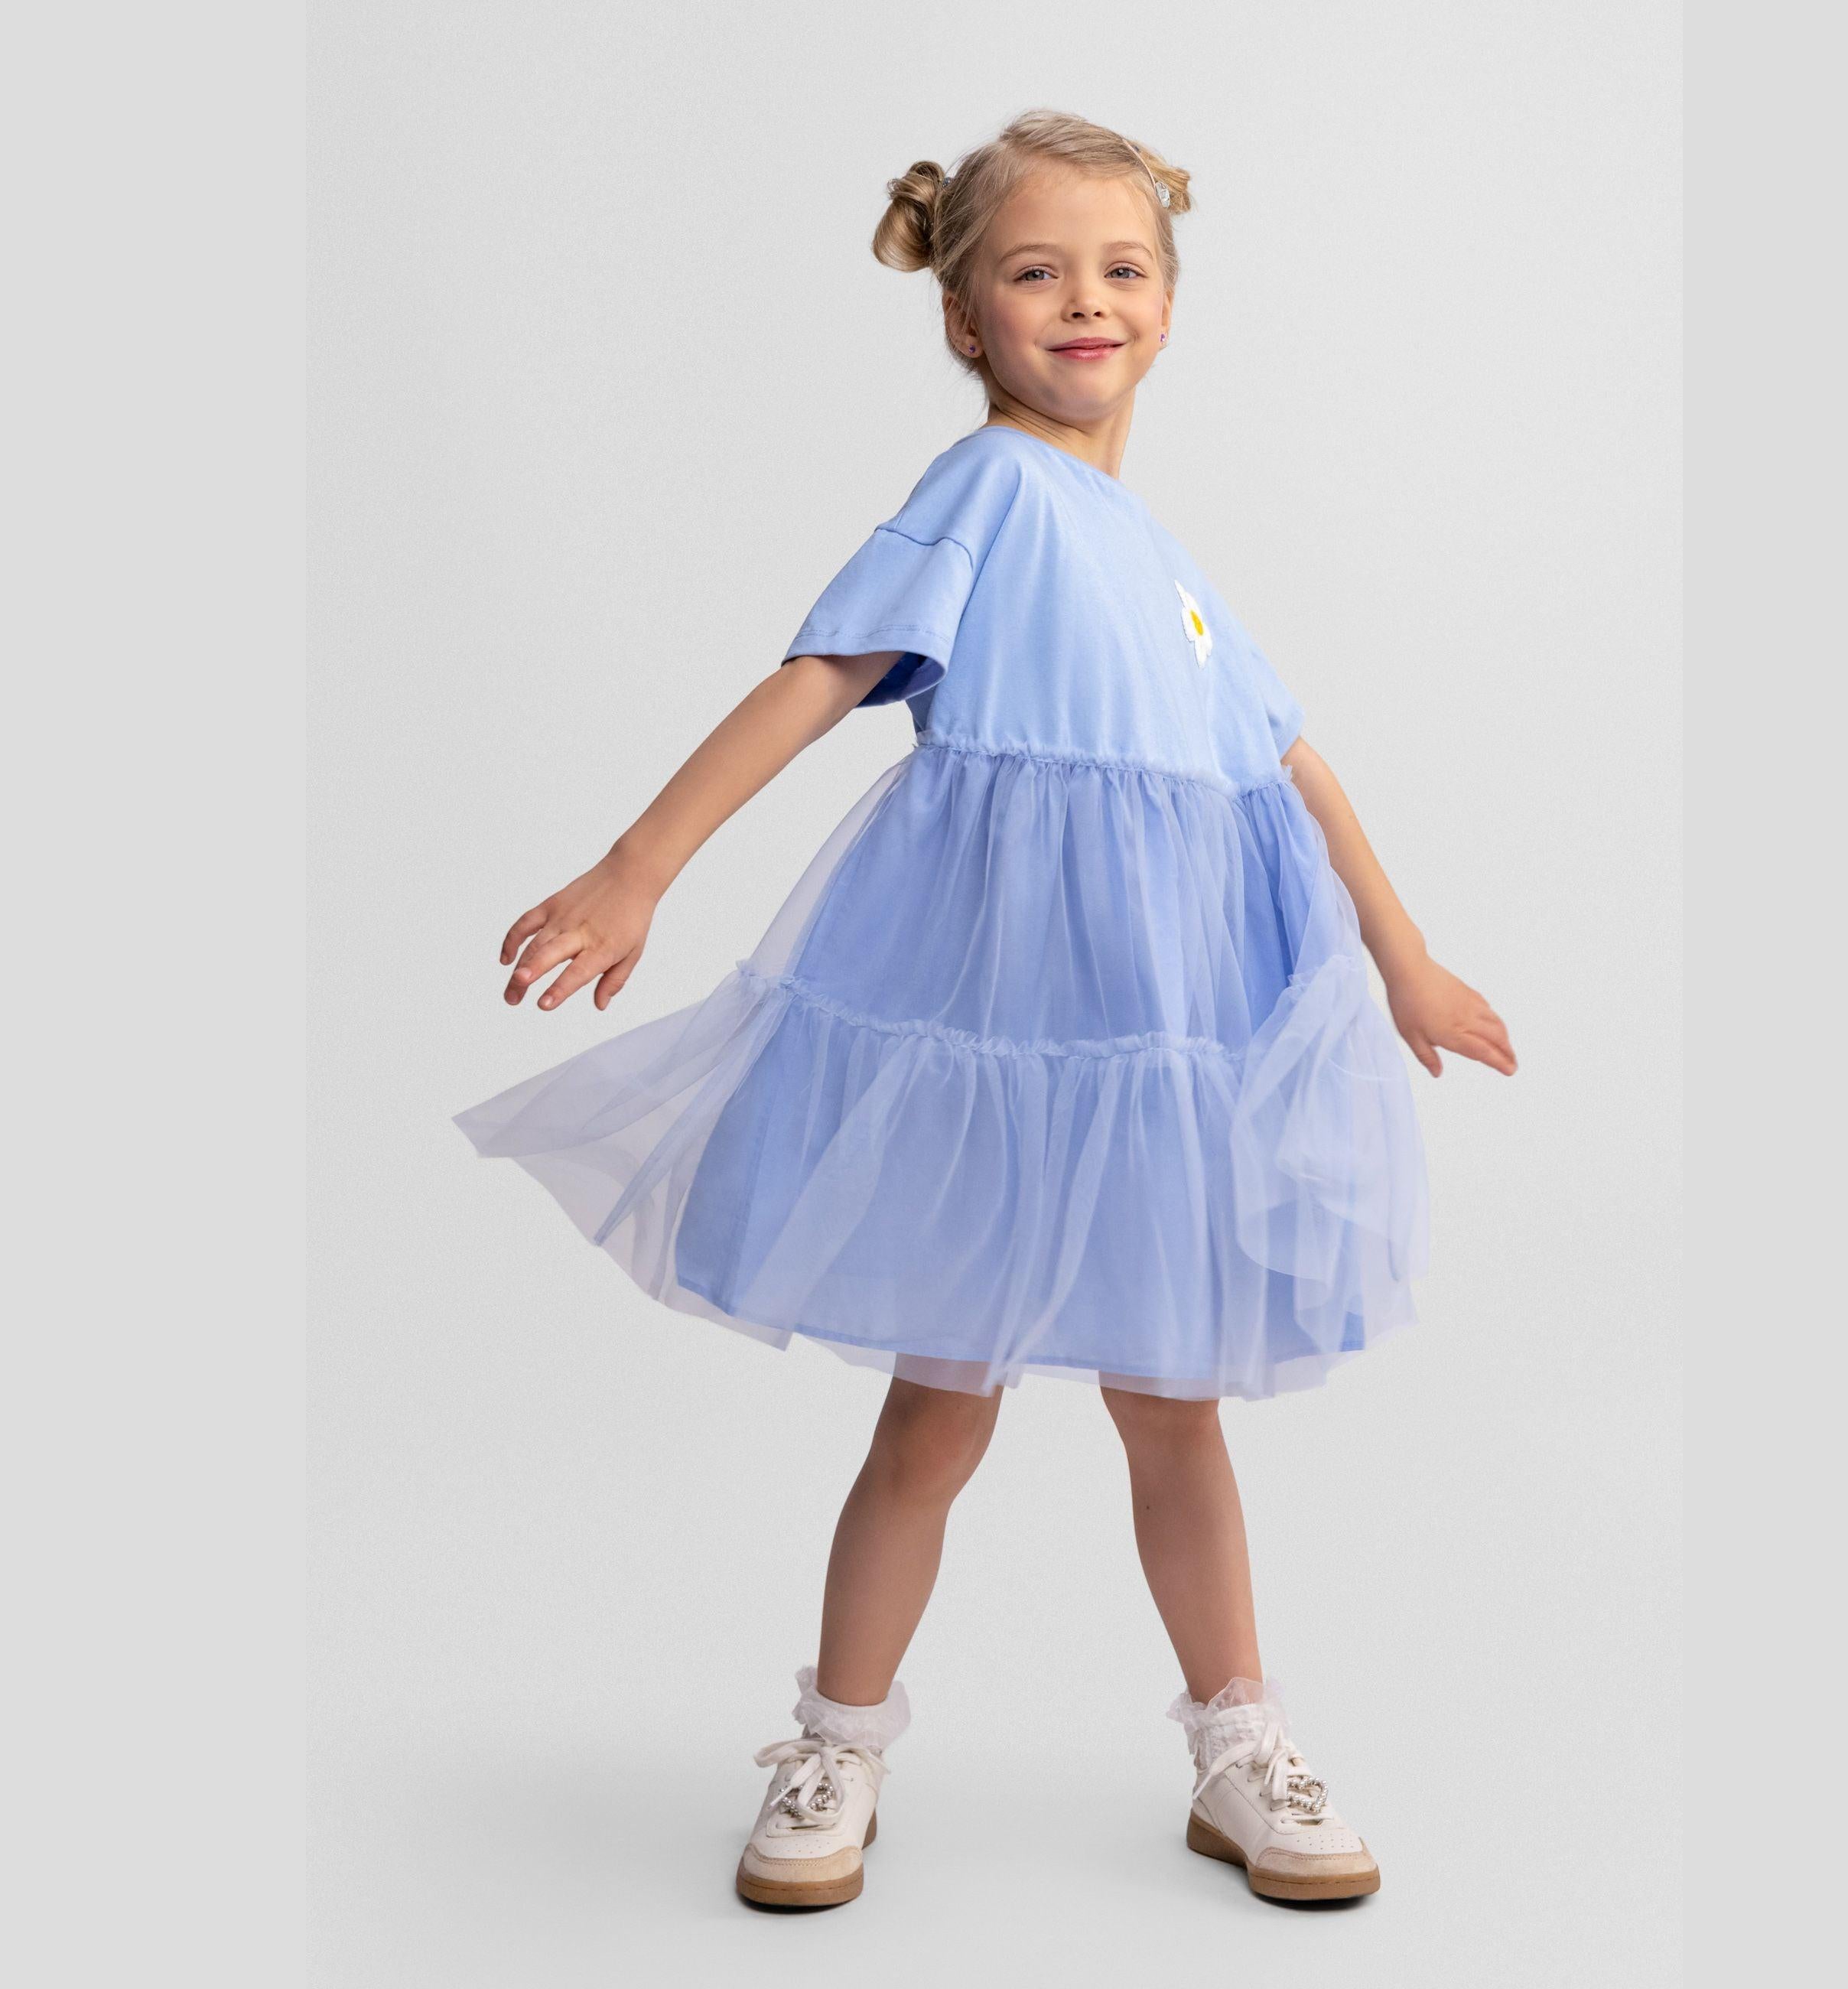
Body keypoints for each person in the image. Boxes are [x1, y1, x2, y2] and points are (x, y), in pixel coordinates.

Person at [455, 107, 1516, 1909]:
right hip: (1011, 1040)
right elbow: (823, 672)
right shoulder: (992, 493)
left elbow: (1290, 758)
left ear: (1169, 305)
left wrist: (1400, 947)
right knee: (936, 1411)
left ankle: (1237, 1740)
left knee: (1174, 1403)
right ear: (966, 318)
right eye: (1035, 272)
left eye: (1120, 270)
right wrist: (641, 864)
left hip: (1166, 1048)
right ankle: (835, 1743)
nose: (1082, 300)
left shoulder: (1161, 555)